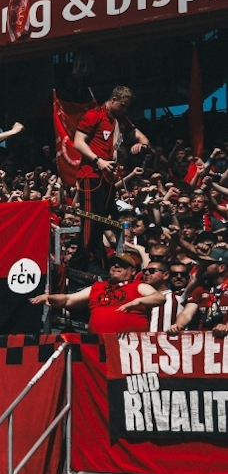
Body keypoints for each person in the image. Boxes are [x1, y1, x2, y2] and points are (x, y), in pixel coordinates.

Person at [73, 86, 150, 235]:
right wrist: (98, 161)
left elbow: (143, 138)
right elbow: (78, 142)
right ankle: (87, 251)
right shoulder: (94, 115)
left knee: (105, 220)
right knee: (91, 222)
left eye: (127, 107)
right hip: (91, 174)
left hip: (109, 177)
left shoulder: (122, 121)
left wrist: (142, 145)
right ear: (113, 99)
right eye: (122, 106)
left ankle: (101, 250)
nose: (124, 110)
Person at [30, 251, 164, 335]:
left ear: (133, 271)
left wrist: (138, 301)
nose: (116, 266)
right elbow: (68, 299)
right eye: (113, 264)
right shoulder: (98, 286)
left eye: (122, 265)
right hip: (98, 344)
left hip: (130, 345)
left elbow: (159, 298)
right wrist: (48, 298)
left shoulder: (139, 286)